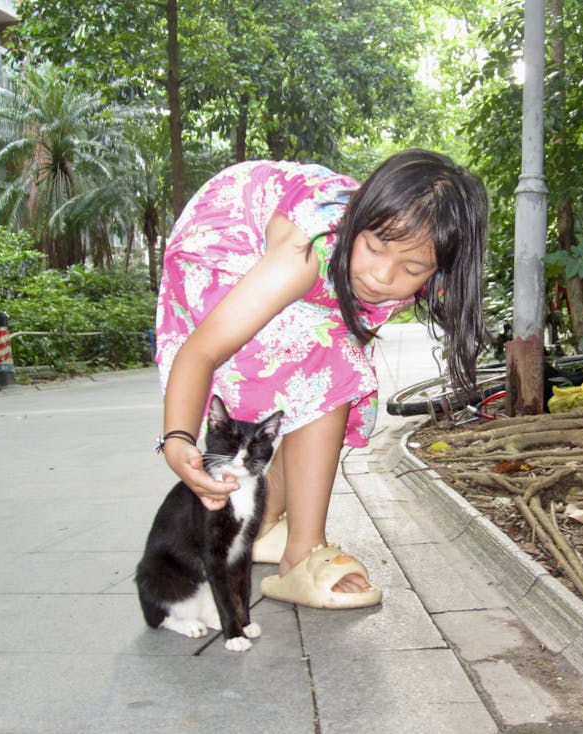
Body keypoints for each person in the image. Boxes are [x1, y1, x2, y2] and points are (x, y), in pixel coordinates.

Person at [155, 149, 488, 609]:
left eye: (412, 270)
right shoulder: (307, 250)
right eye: (374, 248)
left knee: (318, 372)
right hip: (223, 243)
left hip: (285, 238)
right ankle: (302, 555)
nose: (382, 275)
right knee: (327, 360)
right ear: (358, 225)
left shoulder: (428, 258)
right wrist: (177, 440)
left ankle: (266, 524)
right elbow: (203, 350)